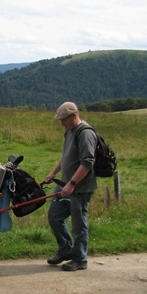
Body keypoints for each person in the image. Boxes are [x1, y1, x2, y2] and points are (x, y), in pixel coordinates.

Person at [44, 102, 97, 271]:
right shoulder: (69, 131)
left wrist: (72, 184)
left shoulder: (85, 134)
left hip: (80, 188)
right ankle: (65, 249)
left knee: (78, 224)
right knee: (54, 216)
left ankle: (80, 259)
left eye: (64, 120)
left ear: (74, 116)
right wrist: (53, 173)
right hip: (64, 184)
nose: (62, 123)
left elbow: (87, 162)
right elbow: (65, 156)